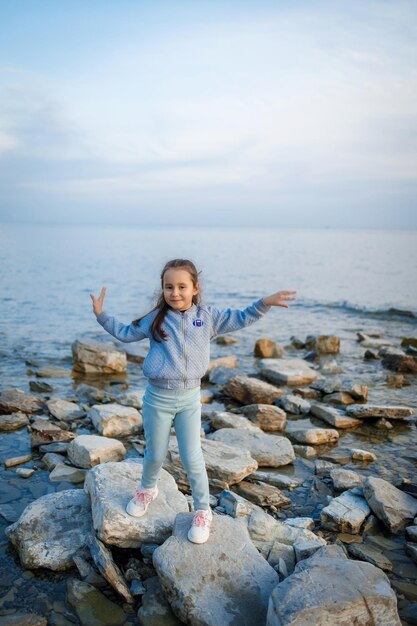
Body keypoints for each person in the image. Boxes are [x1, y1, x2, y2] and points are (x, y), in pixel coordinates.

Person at [90, 258, 296, 544]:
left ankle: (202, 510)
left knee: (192, 456)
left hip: (189, 399)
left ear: (195, 288)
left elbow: (241, 317)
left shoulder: (207, 317)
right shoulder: (154, 319)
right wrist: (102, 315)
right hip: (157, 399)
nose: (175, 293)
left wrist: (264, 303)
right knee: (155, 453)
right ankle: (147, 489)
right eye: (169, 287)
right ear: (162, 289)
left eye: (182, 286)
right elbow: (126, 333)